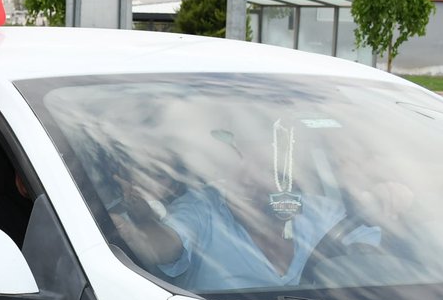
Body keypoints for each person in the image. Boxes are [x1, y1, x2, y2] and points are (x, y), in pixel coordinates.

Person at [110, 123, 409, 291]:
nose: (248, 177)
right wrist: (142, 222)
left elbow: (372, 263)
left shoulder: (323, 213)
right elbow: (166, 245)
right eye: (240, 163)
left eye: (267, 167)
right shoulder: (204, 209)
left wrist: (396, 199)